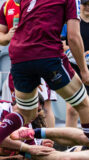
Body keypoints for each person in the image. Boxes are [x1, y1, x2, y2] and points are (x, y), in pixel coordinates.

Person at [0, 0, 89, 159]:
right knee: (84, 105)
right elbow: (73, 37)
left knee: (26, 112)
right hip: (47, 55)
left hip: (19, 56)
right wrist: (84, 70)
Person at [0, 0, 57, 128]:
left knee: (43, 106)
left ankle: (48, 143)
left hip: (41, 60)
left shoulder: (42, 2)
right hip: (18, 64)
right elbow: (1, 38)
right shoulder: (7, 6)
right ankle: (25, 142)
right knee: (18, 105)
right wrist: (8, 36)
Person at [0, 95, 55, 159]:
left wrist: (40, 144)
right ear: (19, 104)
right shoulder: (2, 108)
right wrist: (27, 148)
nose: (36, 114)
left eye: (38, 110)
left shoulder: (27, 125)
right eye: (33, 109)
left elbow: (34, 151)